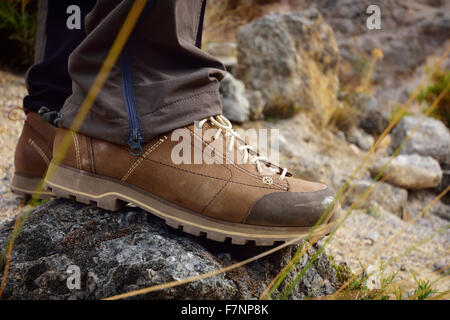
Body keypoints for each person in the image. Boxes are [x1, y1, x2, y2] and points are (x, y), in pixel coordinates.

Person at [11, 0, 340, 246]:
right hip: (135, 124)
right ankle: (151, 108)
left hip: (76, 112)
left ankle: (61, 114)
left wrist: (59, 105)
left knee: (64, 97)